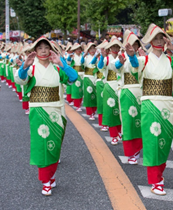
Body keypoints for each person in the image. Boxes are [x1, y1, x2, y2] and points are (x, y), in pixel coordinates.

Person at [125, 23, 173, 195]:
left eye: (162, 38)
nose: (160, 41)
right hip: (150, 104)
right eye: (156, 38)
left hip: (167, 105)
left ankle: (159, 175)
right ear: (150, 41)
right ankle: (155, 181)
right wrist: (131, 55)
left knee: (164, 142)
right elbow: (133, 66)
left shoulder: (170, 60)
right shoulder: (144, 60)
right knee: (152, 141)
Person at [14, 36, 78, 196]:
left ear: (51, 50)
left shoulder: (57, 68)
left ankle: (51, 174)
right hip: (38, 111)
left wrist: (61, 63)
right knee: (42, 146)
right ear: (35, 51)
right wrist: (24, 67)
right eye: (40, 48)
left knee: (54, 145)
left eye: (46, 47)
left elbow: (73, 78)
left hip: (56, 111)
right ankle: (46, 181)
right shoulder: (31, 68)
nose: (43, 50)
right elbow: (20, 80)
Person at [112, 30, 145, 164]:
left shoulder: (143, 58)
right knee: (127, 122)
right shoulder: (121, 56)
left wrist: (133, 56)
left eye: (135, 45)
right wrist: (120, 63)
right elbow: (113, 67)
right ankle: (131, 152)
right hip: (126, 93)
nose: (132, 47)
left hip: (141, 93)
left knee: (140, 122)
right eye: (130, 45)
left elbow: (137, 66)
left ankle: (138, 149)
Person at [97, 36, 122, 145]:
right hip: (109, 86)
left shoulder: (123, 57)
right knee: (111, 112)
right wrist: (102, 58)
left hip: (121, 86)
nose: (115, 48)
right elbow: (100, 67)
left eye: (117, 46)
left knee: (121, 111)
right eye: (113, 46)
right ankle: (113, 136)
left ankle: (120, 131)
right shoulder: (107, 58)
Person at [82, 42, 98, 120]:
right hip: (87, 77)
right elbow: (82, 62)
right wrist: (83, 55)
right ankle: (90, 113)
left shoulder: (98, 57)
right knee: (88, 95)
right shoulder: (86, 58)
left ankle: (94, 111)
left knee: (95, 95)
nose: (92, 50)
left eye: (93, 48)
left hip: (95, 77)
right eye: (90, 49)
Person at [67, 43, 84, 112]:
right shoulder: (72, 56)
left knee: (81, 90)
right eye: (77, 49)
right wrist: (69, 57)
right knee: (76, 90)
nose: (78, 50)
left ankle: (79, 103)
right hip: (75, 74)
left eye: (79, 49)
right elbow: (68, 61)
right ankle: (77, 105)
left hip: (82, 74)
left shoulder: (83, 56)